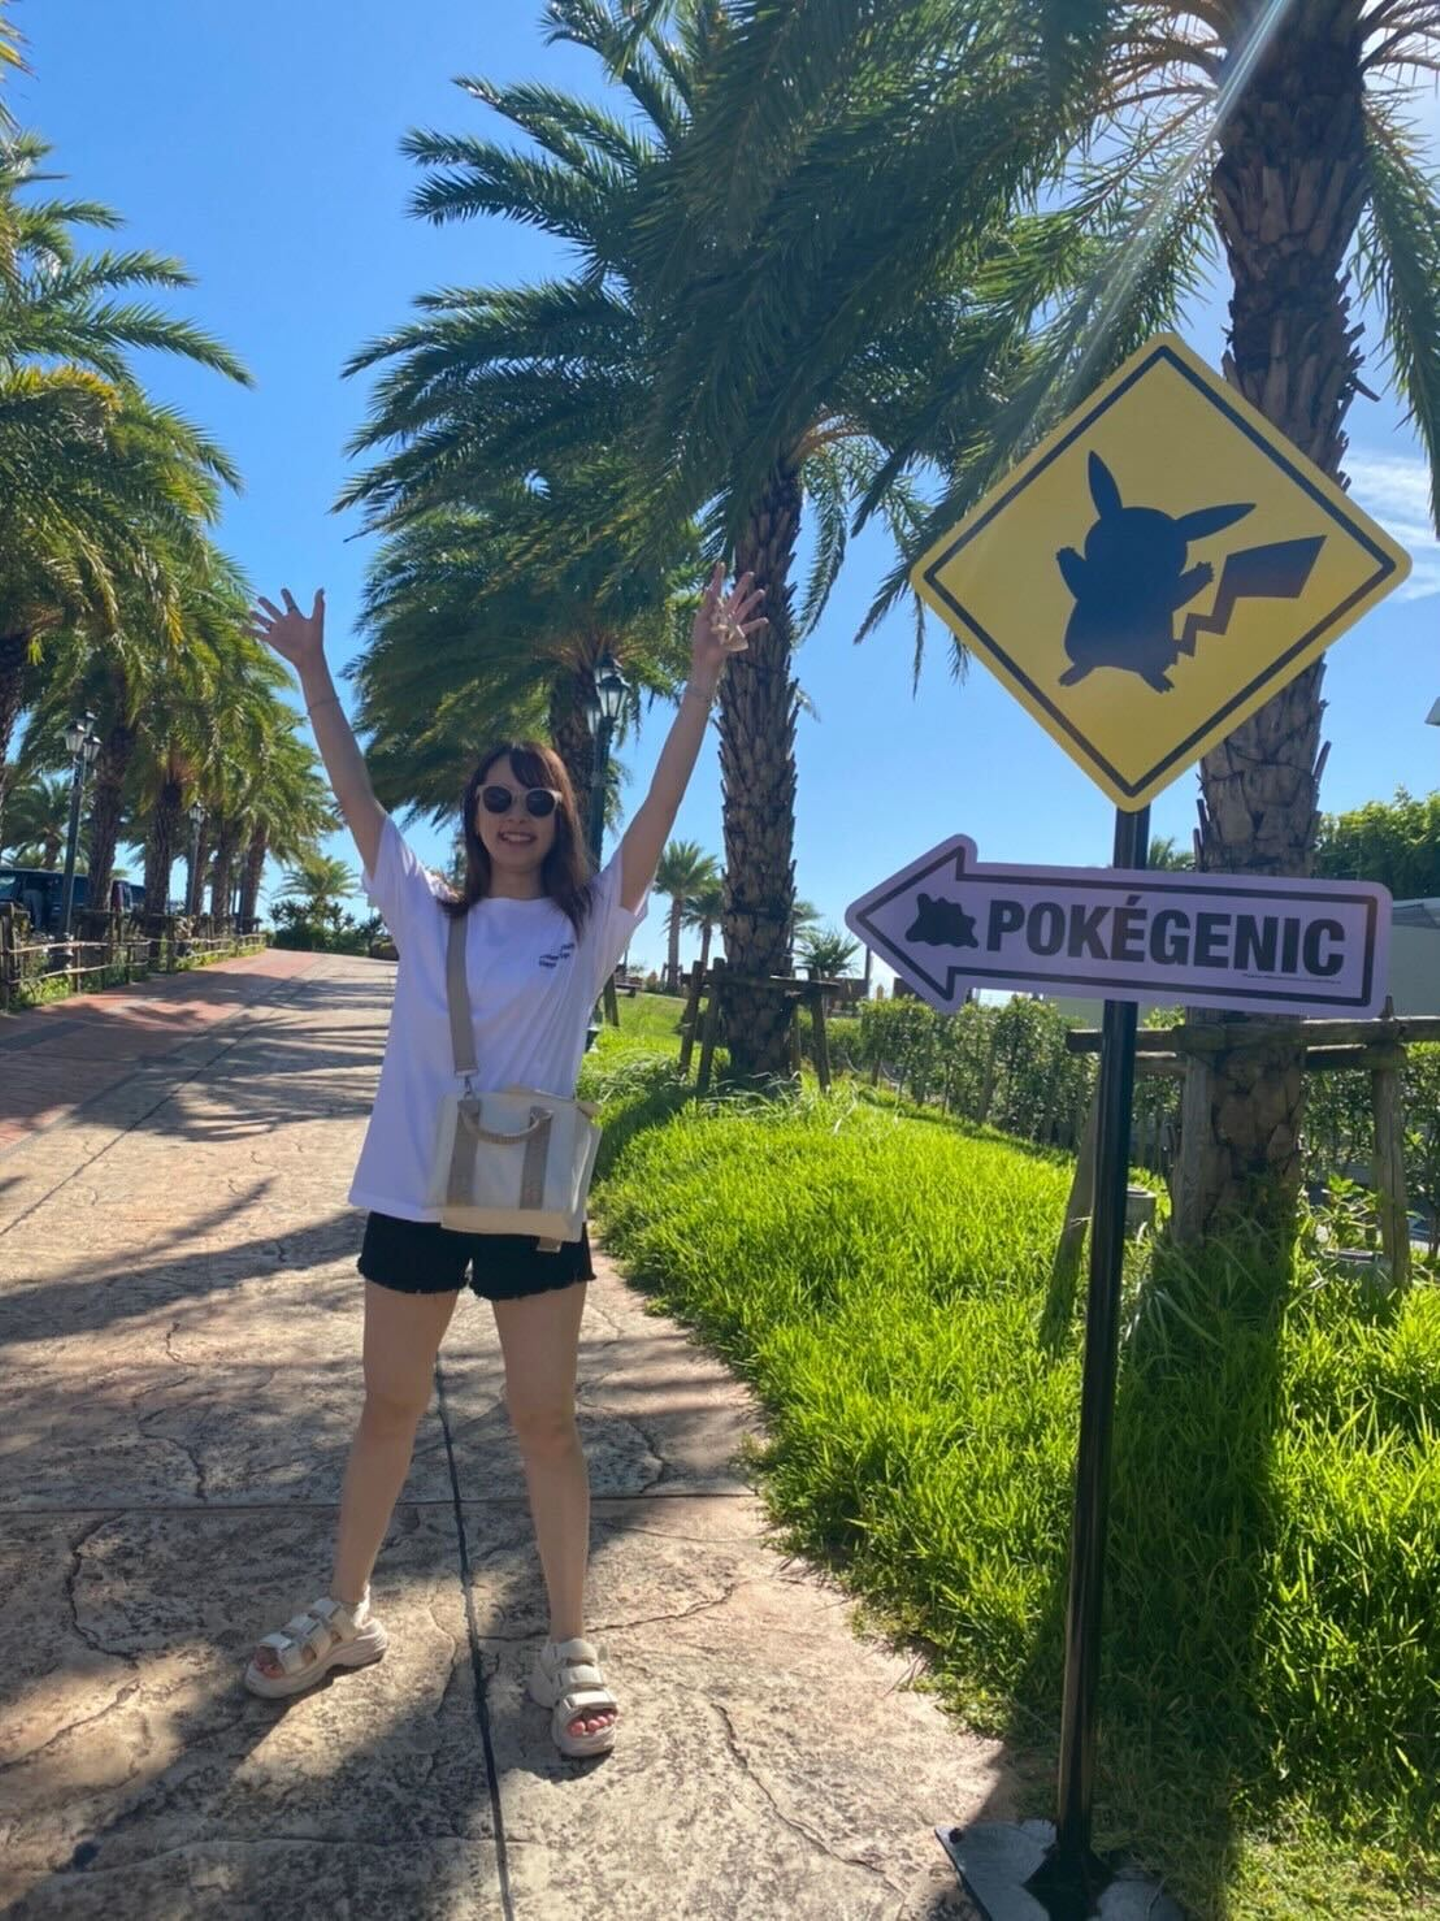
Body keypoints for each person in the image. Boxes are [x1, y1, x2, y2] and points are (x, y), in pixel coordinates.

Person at [240, 563, 765, 1757]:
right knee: (387, 1407)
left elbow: (658, 813)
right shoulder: (424, 910)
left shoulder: (590, 922)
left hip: (530, 1202)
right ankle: (346, 1610)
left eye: (535, 796)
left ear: (560, 813)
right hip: (415, 1196)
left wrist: (699, 683)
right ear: (472, 814)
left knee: (546, 1423)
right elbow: (356, 794)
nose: (514, 812)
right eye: (494, 797)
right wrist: (315, 672)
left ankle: (569, 1642)